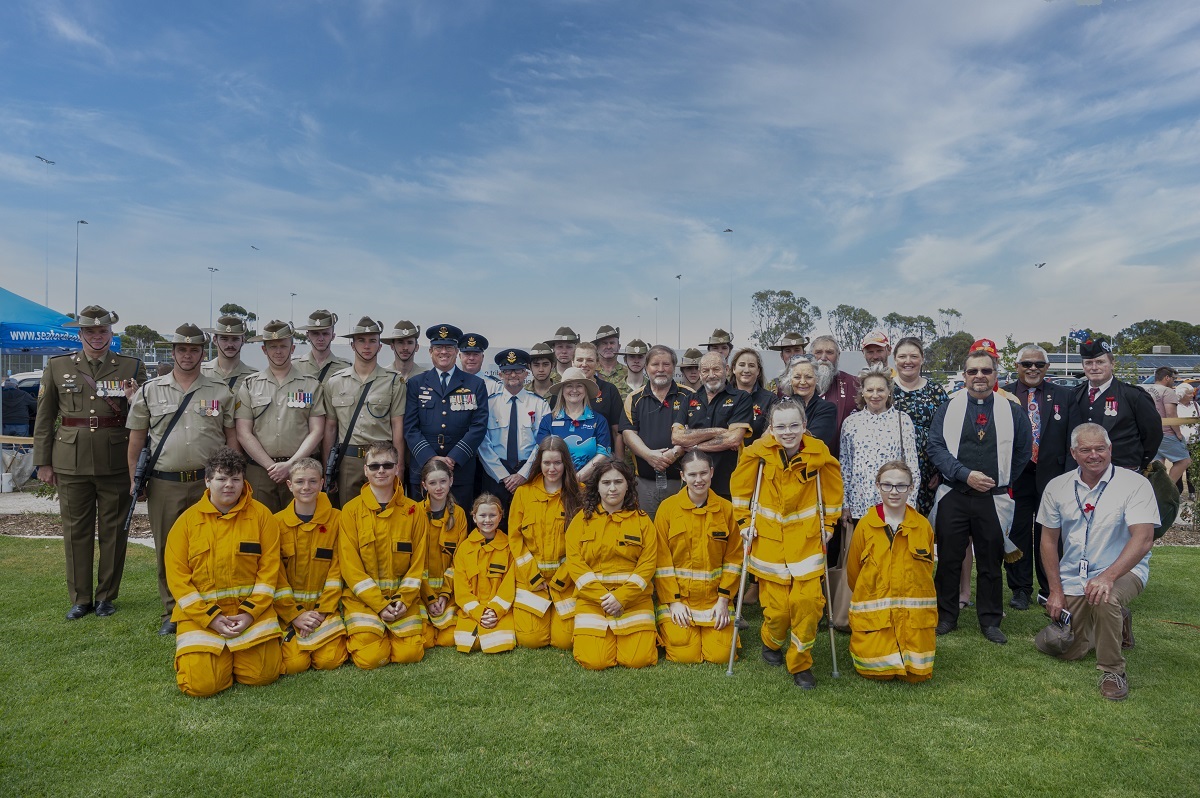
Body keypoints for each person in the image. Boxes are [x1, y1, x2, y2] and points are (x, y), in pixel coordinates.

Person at [33, 304, 147, 621]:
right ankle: (81, 599)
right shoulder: (57, 366)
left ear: (111, 333)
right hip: (70, 460)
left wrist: (132, 399)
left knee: (113, 532)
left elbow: (143, 416)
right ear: (80, 334)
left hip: (116, 460)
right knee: (75, 532)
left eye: (103, 331)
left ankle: (107, 597)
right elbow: (45, 418)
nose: (97, 336)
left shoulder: (131, 366)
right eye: (91, 331)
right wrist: (43, 461)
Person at [127, 323, 238, 634]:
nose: (187, 355)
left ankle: (211, 606)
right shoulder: (150, 390)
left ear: (203, 352)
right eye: (181, 349)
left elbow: (231, 439)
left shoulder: (220, 391)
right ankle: (173, 611)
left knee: (214, 547)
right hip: (166, 482)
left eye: (194, 349)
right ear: (173, 352)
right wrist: (135, 480)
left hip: (210, 485)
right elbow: (136, 441)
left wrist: (231, 479)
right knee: (168, 548)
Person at [1037, 423, 1157, 701]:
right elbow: (1047, 541)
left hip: (1124, 570)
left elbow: (1143, 539)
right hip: (1075, 575)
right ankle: (1116, 622)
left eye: (1100, 448)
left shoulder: (1134, 484)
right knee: (1062, 648)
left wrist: (1108, 576)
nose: (1094, 455)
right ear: (1073, 453)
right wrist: (1055, 591)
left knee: (1105, 598)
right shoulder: (1058, 487)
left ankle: (1112, 671)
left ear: (1110, 449)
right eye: (1086, 449)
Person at [731, 398, 843, 689]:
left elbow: (831, 494)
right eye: (781, 426)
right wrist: (744, 523)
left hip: (806, 540)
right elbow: (742, 490)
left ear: (805, 426)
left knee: (807, 603)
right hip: (769, 542)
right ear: (771, 428)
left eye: (794, 425)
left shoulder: (820, 455)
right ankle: (772, 642)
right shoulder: (756, 454)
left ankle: (801, 663)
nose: (788, 431)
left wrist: (828, 526)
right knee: (778, 610)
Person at [927, 347, 1032, 645]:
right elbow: (935, 447)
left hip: (993, 498)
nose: (979, 376)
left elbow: (1024, 450)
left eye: (986, 370)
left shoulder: (1011, 410)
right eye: (973, 371)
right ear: (964, 376)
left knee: (990, 561)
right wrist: (964, 474)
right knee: (948, 559)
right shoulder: (949, 408)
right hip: (954, 493)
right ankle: (946, 616)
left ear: (996, 375)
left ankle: (990, 620)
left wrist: (1002, 479)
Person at [164, 447, 283, 697]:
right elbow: (179, 582)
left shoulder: (263, 517)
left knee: (263, 675)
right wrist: (212, 619)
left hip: (250, 613)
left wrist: (250, 614)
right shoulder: (185, 523)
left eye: (235, 479)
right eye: (221, 478)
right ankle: (220, 658)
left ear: (244, 481)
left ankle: (234, 655)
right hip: (202, 618)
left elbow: (269, 572)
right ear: (207, 481)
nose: (229, 485)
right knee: (202, 686)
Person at [337, 441, 428, 668]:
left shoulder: (414, 511)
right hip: (364, 602)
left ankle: (392, 636)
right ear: (365, 470)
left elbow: (418, 563)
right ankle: (375, 636)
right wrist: (379, 604)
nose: (381, 471)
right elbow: (350, 567)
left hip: (402, 601)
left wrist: (402, 601)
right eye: (374, 466)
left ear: (397, 468)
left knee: (410, 654)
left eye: (387, 465)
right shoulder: (350, 511)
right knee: (371, 659)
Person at [845, 461, 936, 682]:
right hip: (876, 626)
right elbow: (853, 574)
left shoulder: (923, 526)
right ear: (878, 486)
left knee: (917, 676)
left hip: (914, 627)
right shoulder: (865, 526)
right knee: (876, 673)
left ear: (911, 488)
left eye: (901, 486)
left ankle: (907, 658)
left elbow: (928, 570)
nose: (894, 492)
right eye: (887, 485)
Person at [565, 457, 658, 670]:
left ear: (628, 485)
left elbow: (647, 564)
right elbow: (575, 564)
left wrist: (621, 597)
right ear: (597, 487)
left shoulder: (643, 521)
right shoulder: (581, 521)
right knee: (595, 661)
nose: (613, 488)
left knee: (637, 660)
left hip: (634, 600)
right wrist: (604, 598)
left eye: (619, 482)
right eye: (606, 483)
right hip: (593, 601)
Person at [1000, 344, 1072, 608]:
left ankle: (1048, 587)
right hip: (1016, 476)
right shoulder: (1003, 395)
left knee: (1049, 533)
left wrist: (1068, 476)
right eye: (1027, 364)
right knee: (1017, 532)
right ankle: (1020, 589)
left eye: (1038, 365)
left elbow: (1071, 438)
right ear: (1017, 366)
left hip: (1053, 477)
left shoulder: (1065, 395)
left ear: (1047, 368)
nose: (1032, 369)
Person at [653, 451, 741, 665]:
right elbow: (661, 561)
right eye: (692, 475)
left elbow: (734, 559)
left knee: (720, 655)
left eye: (703, 473)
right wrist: (673, 603)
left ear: (712, 473)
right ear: (683, 476)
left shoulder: (726, 510)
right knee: (684, 654)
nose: (698, 479)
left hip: (714, 600)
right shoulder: (667, 509)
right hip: (679, 600)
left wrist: (723, 600)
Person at [235, 320, 326, 513]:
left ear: (292, 348)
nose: (278, 351)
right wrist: (272, 467)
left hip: (300, 470)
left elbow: (317, 430)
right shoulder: (250, 385)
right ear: (264, 350)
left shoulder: (310, 385)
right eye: (273, 347)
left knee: (301, 529)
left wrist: (290, 465)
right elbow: (243, 432)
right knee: (260, 529)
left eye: (283, 346)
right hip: (261, 471)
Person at [321, 317, 406, 508]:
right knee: (348, 515)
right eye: (361, 340)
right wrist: (328, 469)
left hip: (382, 461)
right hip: (348, 461)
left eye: (372, 341)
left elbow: (397, 427)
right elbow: (330, 428)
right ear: (352, 345)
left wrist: (399, 467)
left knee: (383, 515)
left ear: (380, 346)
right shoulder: (335, 382)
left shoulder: (393, 381)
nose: (367, 346)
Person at [273, 457, 348, 674]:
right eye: (299, 482)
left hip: (324, 609)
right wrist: (295, 614)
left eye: (313, 481)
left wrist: (322, 612)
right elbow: (274, 573)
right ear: (289, 485)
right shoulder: (275, 523)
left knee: (330, 661)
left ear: (322, 483)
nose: (306, 487)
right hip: (287, 611)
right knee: (295, 665)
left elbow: (338, 569)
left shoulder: (338, 520)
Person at [403, 324, 490, 508]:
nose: (444, 352)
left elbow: (479, 426)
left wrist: (453, 458)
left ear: (456, 351)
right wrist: (430, 458)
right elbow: (410, 427)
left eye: (449, 347)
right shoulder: (416, 384)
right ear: (430, 351)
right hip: (424, 470)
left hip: (460, 470)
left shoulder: (475, 384)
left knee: (458, 523)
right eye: (438, 348)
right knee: (421, 524)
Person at [509, 436, 582, 650]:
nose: (552, 468)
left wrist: (563, 577)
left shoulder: (579, 494)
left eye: (557, 463)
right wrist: (532, 576)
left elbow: (581, 545)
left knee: (565, 641)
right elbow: (515, 539)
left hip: (566, 579)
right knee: (531, 639)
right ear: (539, 463)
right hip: (532, 580)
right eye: (547, 463)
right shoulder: (523, 493)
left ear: (565, 463)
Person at [839, 366, 920, 528]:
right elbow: (845, 466)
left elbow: (912, 466)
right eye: (870, 390)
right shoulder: (851, 423)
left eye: (880, 390)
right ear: (862, 392)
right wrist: (845, 504)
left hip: (894, 503)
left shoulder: (902, 420)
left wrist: (909, 502)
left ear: (889, 392)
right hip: (860, 505)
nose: (875, 395)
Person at [1067, 337, 1161, 472]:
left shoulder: (1134, 396)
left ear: (1112, 364)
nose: (1094, 367)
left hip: (1124, 470)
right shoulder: (1073, 395)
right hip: (1085, 472)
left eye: (1100, 362)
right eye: (1089, 363)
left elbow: (1153, 434)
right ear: (1083, 366)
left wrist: (1138, 462)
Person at [478, 348, 550, 514]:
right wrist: (502, 475)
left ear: (526, 374)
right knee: (495, 524)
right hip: (495, 474)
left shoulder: (539, 404)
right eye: (507, 371)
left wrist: (523, 474)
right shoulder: (488, 404)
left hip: (528, 472)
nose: (512, 375)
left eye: (518, 370)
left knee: (529, 520)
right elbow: (483, 443)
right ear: (500, 374)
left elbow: (543, 442)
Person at [672, 352, 752, 501]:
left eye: (716, 369)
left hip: (727, 484)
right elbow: (676, 437)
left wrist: (694, 446)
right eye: (705, 370)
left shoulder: (741, 398)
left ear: (727, 370)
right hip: (693, 485)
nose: (711, 375)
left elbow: (734, 439)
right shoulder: (689, 399)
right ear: (700, 374)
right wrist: (719, 431)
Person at [620, 345, 687, 516]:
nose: (660, 369)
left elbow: (695, 431)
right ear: (646, 367)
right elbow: (628, 434)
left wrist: (675, 453)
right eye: (655, 364)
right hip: (644, 483)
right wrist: (649, 455)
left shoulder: (689, 396)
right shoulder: (634, 398)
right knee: (646, 532)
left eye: (666, 364)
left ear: (674, 367)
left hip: (681, 481)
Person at [891, 336, 950, 515]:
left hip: (929, 473)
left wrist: (941, 471)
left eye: (914, 356)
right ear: (895, 359)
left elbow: (947, 432)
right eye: (902, 356)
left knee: (924, 527)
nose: (908, 361)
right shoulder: (885, 390)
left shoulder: (936, 391)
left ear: (922, 358)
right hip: (894, 471)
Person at [453, 494, 517, 654]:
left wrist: (494, 610)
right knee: (469, 642)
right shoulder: (464, 548)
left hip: (499, 611)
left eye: (492, 515)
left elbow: (509, 586)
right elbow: (461, 589)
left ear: (500, 516)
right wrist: (479, 612)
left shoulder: (510, 547)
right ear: (474, 517)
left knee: (500, 643)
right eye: (482, 515)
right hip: (472, 611)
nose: (487, 520)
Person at [417, 459, 466, 648]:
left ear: (451, 481)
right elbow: (412, 563)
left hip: (448, 591)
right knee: (426, 640)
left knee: (448, 639)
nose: (439, 488)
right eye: (432, 483)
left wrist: (444, 596)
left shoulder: (459, 515)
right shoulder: (414, 513)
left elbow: (458, 562)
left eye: (443, 481)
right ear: (424, 485)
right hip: (420, 592)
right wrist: (429, 598)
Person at [536, 367, 611, 483]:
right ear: (562, 390)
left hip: (589, 486)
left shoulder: (599, 420)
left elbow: (603, 454)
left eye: (579, 385)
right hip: (555, 484)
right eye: (569, 386)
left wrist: (576, 480)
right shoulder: (548, 421)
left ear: (585, 390)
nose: (574, 390)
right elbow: (542, 453)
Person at [571, 341, 625, 459]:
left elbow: (617, 432)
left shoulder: (609, 390)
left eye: (589, 360)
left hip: (603, 459)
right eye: (580, 360)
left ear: (597, 363)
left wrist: (619, 465)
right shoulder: (562, 392)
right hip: (570, 461)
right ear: (572, 362)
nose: (584, 364)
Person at [782, 355, 838, 455]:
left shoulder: (827, 408)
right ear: (790, 381)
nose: (803, 382)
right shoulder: (780, 406)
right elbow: (768, 437)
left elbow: (813, 441)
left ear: (816, 380)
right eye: (797, 377)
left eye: (808, 377)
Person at [1144, 366, 1191, 485]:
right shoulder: (1168, 391)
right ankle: (1167, 488)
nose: (1174, 382)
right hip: (1166, 433)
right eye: (1173, 379)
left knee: (1157, 465)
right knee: (1184, 460)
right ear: (1167, 377)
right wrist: (1179, 434)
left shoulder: (1146, 389)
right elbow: (1171, 414)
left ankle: (1155, 492)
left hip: (1149, 433)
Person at [809, 334, 860, 436]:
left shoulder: (855, 384)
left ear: (838, 355)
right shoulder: (800, 385)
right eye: (818, 352)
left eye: (829, 352)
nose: (823, 357)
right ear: (810, 355)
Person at [730, 346, 777, 442]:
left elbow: (772, 432)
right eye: (742, 365)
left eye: (751, 366)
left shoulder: (770, 399)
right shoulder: (722, 396)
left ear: (758, 371)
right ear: (734, 369)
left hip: (757, 454)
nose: (746, 370)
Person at [201, 315, 256, 393]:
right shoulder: (200, 372)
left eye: (235, 339)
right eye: (224, 339)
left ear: (243, 341)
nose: (230, 344)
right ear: (215, 340)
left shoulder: (253, 377)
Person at [293, 310, 350, 384]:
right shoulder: (294, 366)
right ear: (308, 336)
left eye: (325, 334)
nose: (320, 338)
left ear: (333, 336)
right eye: (315, 334)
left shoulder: (345, 368)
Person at [458, 332, 502, 397]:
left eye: (476, 354)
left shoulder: (495, 386)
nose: (471, 358)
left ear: (482, 357)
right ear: (460, 356)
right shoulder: (450, 382)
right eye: (467, 354)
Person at [1176, 383, 1196, 498]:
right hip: (1180, 442)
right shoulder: (1175, 407)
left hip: (1194, 442)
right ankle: (1178, 492)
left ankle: (1192, 492)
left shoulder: (1196, 405)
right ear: (1182, 395)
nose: (1192, 395)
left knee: (1192, 469)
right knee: (1179, 466)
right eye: (1189, 393)